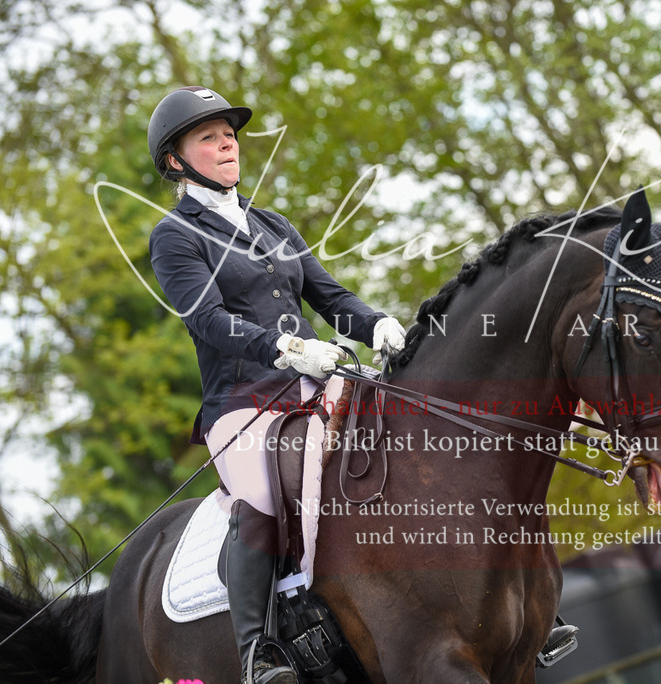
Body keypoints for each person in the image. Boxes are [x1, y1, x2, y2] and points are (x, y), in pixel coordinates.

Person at [147, 85, 406, 684]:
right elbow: (207, 320)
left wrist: (377, 324)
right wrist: (288, 348)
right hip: (243, 404)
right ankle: (258, 649)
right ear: (175, 161)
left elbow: (329, 296)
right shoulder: (175, 236)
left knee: (414, 441)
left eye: (229, 133)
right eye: (208, 137)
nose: (226, 142)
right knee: (262, 496)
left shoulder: (272, 223)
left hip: (322, 385)